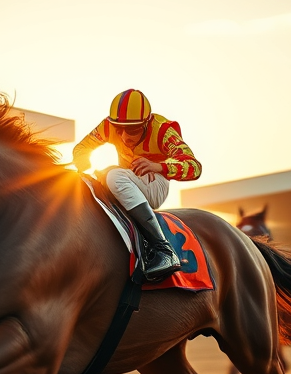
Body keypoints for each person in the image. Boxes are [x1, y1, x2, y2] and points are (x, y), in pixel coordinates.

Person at [72, 89, 202, 282]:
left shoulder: (162, 130)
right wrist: (86, 166)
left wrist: (158, 166)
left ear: (146, 123)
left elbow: (194, 167)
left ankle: (164, 250)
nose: (124, 137)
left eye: (132, 130)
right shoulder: (107, 125)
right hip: (127, 181)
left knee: (113, 175)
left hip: (154, 184)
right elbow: (81, 149)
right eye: (119, 129)